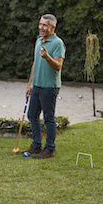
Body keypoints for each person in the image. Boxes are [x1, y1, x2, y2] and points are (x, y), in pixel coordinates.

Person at [22, 14, 66, 159]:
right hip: (37, 86)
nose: (41, 27)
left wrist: (47, 57)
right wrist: (30, 83)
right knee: (32, 115)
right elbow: (35, 63)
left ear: (53, 28)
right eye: (40, 24)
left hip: (49, 87)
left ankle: (50, 149)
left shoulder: (58, 43)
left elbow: (58, 66)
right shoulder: (39, 41)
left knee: (48, 118)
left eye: (45, 25)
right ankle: (36, 145)